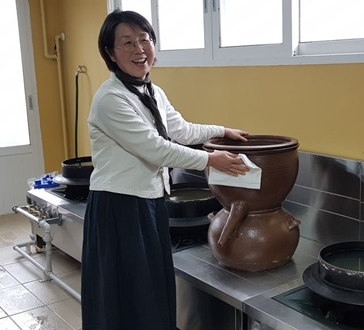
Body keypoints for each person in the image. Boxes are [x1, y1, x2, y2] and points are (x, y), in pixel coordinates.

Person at [82, 9, 249, 330]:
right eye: (127, 42)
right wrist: (210, 161)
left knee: (149, 287)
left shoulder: (152, 92)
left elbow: (181, 130)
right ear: (110, 54)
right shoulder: (110, 99)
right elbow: (154, 148)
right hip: (118, 207)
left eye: (144, 40)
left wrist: (222, 130)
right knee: (123, 292)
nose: (138, 49)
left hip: (149, 202)